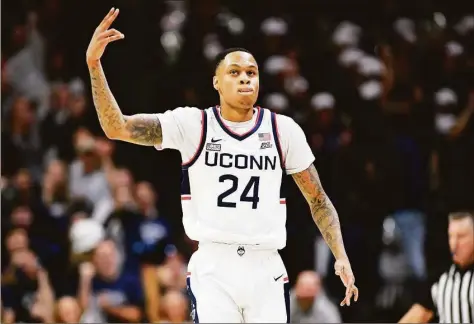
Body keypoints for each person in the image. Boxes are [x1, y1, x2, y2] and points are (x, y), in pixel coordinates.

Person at [85, 7, 358, 323]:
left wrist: (340, 255)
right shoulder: (193, 124)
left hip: (265, 264)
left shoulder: (283, 129)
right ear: (216, 81)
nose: (245, 77)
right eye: (235, 72)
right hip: (214, 265)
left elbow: (318, 199)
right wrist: (94, 65)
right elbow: (116, 127)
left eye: (252, 72)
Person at [399, 211, 474, 323]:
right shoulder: (441, 278)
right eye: (451, 236)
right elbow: (419, 314)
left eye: (461, 237)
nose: (454, 244)